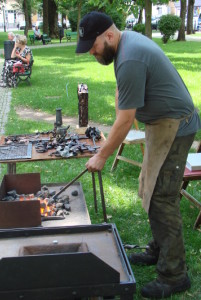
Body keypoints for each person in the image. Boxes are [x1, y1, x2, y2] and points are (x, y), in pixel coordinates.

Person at [76, 11, 201, 299]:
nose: (91, 54)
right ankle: (158, 250)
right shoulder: (125, 45)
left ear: (108, 35)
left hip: (175, 126)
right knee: (150, 185)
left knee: (162, 196)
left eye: (92, 47)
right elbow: (127, 95)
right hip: (161, 123)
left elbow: (124, 120)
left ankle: (174, 275)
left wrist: (102, 155)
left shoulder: (129, 55)